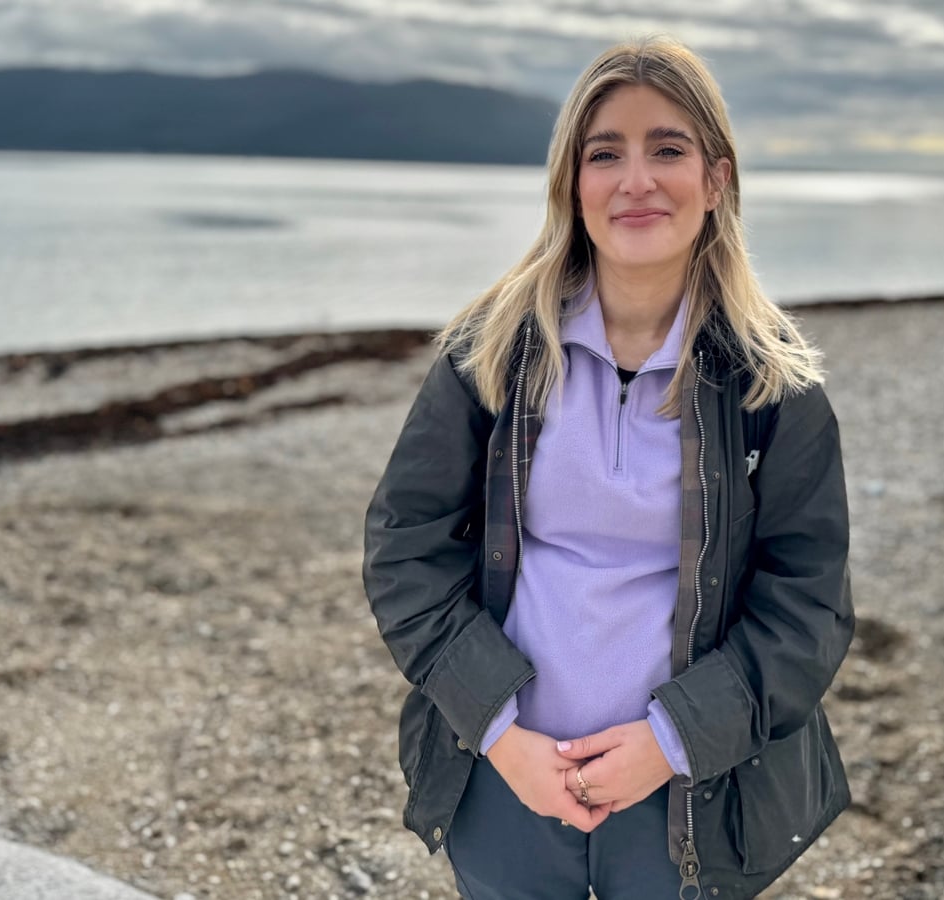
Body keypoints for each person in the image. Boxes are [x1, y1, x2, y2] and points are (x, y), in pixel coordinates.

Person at [363, 35, 854, 900]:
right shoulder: (490, 354)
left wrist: (672, 741)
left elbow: (808, 605)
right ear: (571, 182)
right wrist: (499, 733)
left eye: (667, 149)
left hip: (692, 789)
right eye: (604, 154)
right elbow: (406, 550)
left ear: (717, 179)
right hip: (506, 778)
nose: (636, 181)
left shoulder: (774, 385)